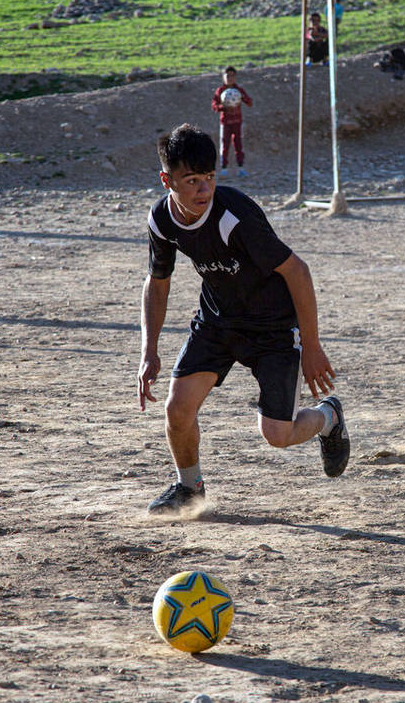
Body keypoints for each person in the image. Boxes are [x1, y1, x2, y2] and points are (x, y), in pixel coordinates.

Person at [137, 124, 350, 516]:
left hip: (273, 327)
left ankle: (328, 417)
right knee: (177, 409)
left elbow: (298, 272)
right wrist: (149, 350)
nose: (204, 190)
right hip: (218, 321)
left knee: (277, 435)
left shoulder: (234, 216)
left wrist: (313, 347)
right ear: (167, 180)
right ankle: (190, 488)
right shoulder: (161, 220)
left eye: (210, 178)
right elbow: (158, 281)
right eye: (192, 180)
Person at [211, 66, 252, 178]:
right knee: (225, 145)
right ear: (223, 77)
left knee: (238, 144)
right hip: (225, 122)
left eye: (232, 76)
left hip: (237, 122)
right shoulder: (220, 91)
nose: (230, 78)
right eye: (227, 76)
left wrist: (242, 97)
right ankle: (224, 169)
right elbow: (214, 106)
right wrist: (222, 106)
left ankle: (241, 168)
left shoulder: (238, 90)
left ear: (236, 77)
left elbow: (249, 102)